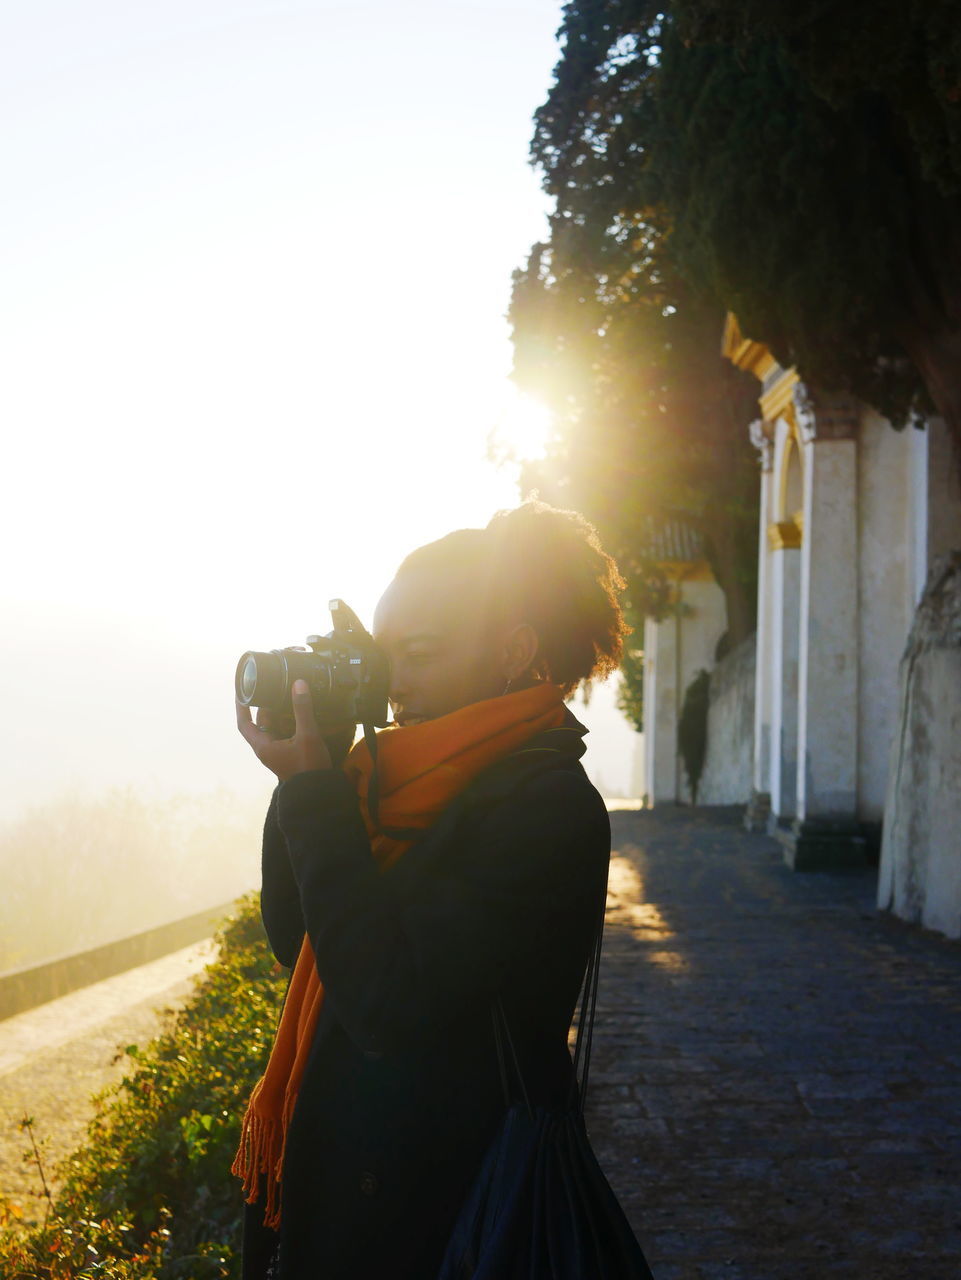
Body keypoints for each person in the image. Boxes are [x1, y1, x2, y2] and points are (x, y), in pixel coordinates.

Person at [233, 499, 628, 1279]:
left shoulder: (544, 803)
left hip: (450, 1208)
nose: (394, 682)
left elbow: (389, 1002)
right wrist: (305, 784)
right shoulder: (393, 779)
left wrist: (319, 799)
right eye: (383, 657)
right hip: (356, 1187)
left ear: (513, 651)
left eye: (419, 652)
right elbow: (299, 938)